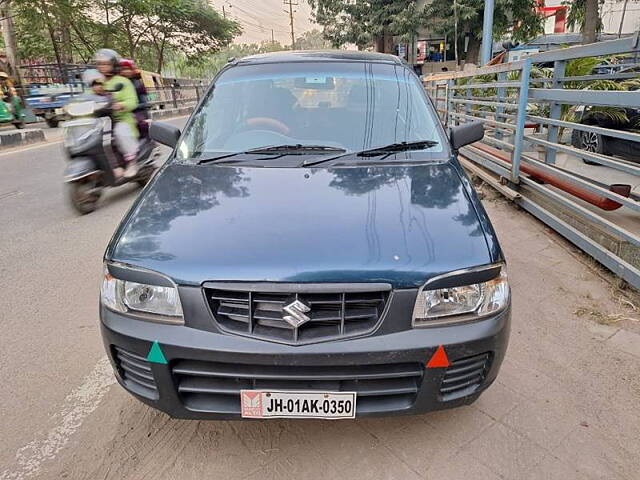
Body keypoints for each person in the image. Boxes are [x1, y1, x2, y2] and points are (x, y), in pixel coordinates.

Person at [94, 48, 139, 178]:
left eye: (106, 64)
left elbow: (132, 101)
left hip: (120, 119)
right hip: (100, 121)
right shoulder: (97, 83)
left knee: (120, 132)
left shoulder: (123, 82)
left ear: (113, 65)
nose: (102, 67)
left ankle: (132, 162)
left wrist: (121, 105)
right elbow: (88, 96)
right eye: (100, 64)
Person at [120, 59, 149, 138]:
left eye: (128, 69)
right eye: (124, 69)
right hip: (121, 115)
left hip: (137, 113)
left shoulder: (138, 84)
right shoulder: (118, 84)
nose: (126, 71)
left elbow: (144, 103)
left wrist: (130, 106)